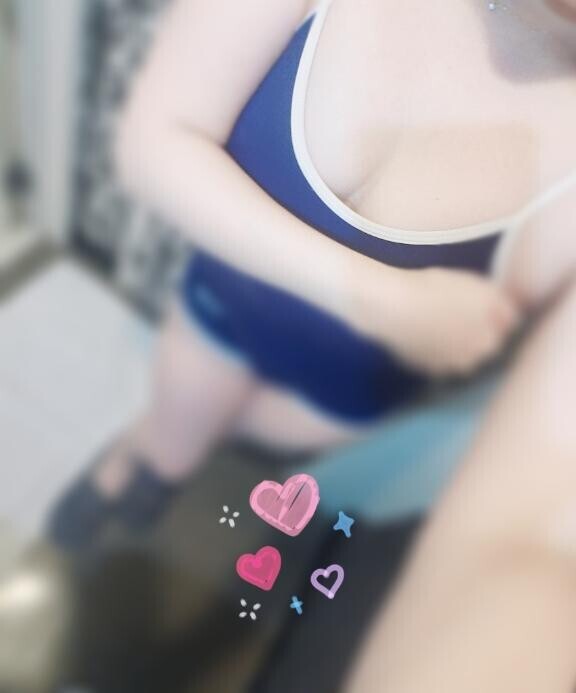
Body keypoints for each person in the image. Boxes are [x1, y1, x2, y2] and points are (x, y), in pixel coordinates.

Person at [48, 0, 575, 616]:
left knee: (223, 436)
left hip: (338, 394)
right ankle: (142, 459)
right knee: (176, 425)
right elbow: (152, 144)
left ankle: (169, 467)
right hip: (226, 313)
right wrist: (381, 297)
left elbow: (488, 331)